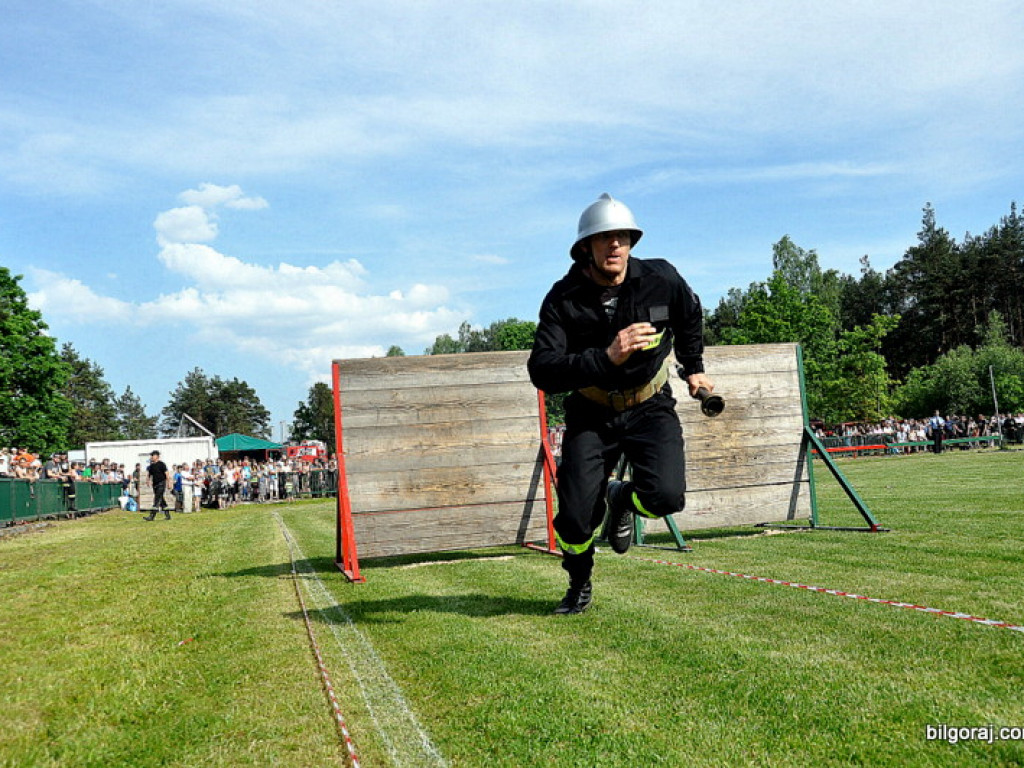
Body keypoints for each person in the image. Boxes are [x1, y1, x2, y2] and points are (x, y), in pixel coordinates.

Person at [528, 193, 714, 615]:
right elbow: (543, 369)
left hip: (650, 405)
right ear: (585, 248)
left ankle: (623, 498)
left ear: (632, 242)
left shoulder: (661, 278)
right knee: (575, 520)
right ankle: (579, 582)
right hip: (591, 413)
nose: (615, 245)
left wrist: (694, 365)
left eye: (623, 237)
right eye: (605, 238)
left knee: (666, 497)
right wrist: (606, 357)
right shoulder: (562, 299)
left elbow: (690, 315)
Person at [144, 450, 171, 520]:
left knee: (156, 499)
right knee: (161, 500)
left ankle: (152, 516)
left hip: (161, 484)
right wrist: (147, 481)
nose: (151, 457)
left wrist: (169, 483)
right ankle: (168, 515)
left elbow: (167, 474)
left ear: (157, 456)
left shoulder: (162, 464)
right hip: (155, 485)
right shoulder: (151, 466)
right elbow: (149, 474)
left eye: (153, 455)